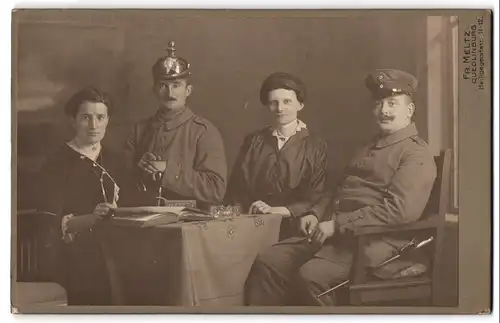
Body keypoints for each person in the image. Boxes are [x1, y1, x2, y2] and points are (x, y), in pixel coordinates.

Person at [244, 69, 438, 306]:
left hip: (377, 244)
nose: (384, 111)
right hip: (338, 237)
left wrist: (337, 224)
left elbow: (400, 211)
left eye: (392, 104)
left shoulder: (415, 153)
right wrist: (315, 214)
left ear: (409, 110)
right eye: (379, 104)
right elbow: (337, 188)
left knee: (311, 277)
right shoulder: (368, 146)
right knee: (269, 261)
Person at [34, 87, 121, 305]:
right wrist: (90, 219)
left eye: (100, 117)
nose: (94, 125)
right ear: (72, 121)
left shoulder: (117, 160)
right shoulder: (56, 164)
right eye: (85, 118)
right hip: (74, 260)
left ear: (108, 120)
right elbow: (48, 223)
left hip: (119, 254)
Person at [122, 41, 227, 210]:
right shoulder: (138, 131)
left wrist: (167, 170)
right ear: (154, 90)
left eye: (176, 86)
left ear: (188, 90)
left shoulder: (204, 131)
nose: (170, 93)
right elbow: (121, 185)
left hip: (187, 223)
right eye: (163, 86)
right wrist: (140, 168)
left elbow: (216, 190)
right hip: (142, 223)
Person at [226, 72, 328, 238]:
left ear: (300, 105)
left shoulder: (315, 146)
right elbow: (237, 189)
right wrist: (252, 207)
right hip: (253, 224)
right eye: (274, 103)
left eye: (287, 102)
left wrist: (278, 210)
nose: (280, 108)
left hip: (296, 227)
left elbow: (317, 195)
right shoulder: (254, 141)